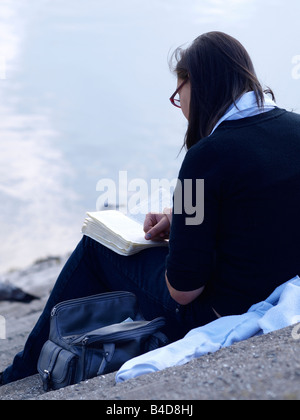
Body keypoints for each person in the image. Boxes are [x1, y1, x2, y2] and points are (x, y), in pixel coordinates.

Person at [1, 31, 300, 386]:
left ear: (196, 85)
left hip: (221, 310)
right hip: (281, 286)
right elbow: (263, 214)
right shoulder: (294, 127)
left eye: (179, 94)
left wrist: (183, 240)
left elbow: (183, 291)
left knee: (97, 247)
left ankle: (21, 370)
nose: (181, 105)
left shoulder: (206, 156)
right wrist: (183, 222)